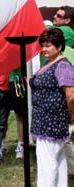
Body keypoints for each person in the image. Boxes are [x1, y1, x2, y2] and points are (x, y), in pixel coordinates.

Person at [30, 28, 74, 187]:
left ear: (60, 46)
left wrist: (70, 116)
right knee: (58, 162)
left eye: (48, 45)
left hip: (52, 122)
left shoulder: (62, 66)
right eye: (43, 45)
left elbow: (71, 95)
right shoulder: (50, 63)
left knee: (47, 165)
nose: (44, 49)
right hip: (45, 121)